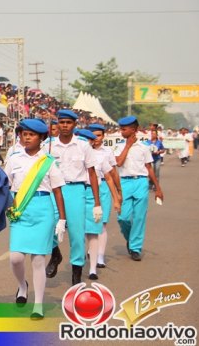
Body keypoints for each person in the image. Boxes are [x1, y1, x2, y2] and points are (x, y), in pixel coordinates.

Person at [4, 119, 67, 320]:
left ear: (41, 138)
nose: (27, 137)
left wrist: (62, 220)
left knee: (38, 260)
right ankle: (22, 286)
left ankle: (38, 304)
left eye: (31, 134)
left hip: (43, 211)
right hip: (20, 210)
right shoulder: (14, 158)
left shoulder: (48, 161)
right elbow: (5, 185)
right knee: (15, 258)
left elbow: (58, 191)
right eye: (24, 134)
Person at [45, 110, 101, 285]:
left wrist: (97, 203)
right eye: (61, 122)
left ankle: (76, 273)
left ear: (75, 125)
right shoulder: (48, 145)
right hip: (55, 189)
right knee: (49, 225)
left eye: (68, 122)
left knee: (77, 234)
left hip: (76, 190)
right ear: (57, 124)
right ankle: (55, 254)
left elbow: (91, 173)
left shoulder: (83, 145)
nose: (64, 126)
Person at [114, 116, 163, 261]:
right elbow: (119, 163)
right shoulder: (119, 145)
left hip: (141, 182)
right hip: (125, 183)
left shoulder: (144, 147)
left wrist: (158, 188)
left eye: (124, 129)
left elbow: (149, 168)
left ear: (134, 130)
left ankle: (135, 248)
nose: (121, 131)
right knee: (122, 217)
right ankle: (131, 238)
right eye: (121, 129)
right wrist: (128, 146)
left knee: (139, 217)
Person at [77, 129, 119, 280]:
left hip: (95, 193)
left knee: (95, 230)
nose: (87, 144)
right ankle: (79, 260)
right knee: (78, 231)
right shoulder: (73, 156)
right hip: (78, 193)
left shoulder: (100, 156)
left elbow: (109, 176)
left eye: (88, 141)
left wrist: (116, 197)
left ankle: (93, 268)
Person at [87, 124, 122, 270]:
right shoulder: (83, 150)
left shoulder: (107, 151)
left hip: (103, 190)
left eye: (99, 135)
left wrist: (118, 194)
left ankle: (100, 256)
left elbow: (112, 174)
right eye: (92, 135)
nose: (95, 138)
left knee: (101, 224)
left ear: (103, 136)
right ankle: (91, 250)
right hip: (87, 190)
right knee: (88, 225)